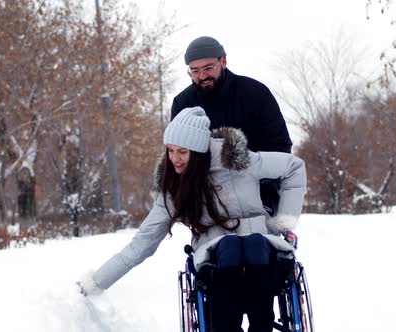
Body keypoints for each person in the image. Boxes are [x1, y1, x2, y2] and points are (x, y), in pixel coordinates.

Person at [77, 107, 307, 332]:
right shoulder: (175, 188)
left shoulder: (240, 162)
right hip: (216, 253)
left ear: (198, 151)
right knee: (230, 245)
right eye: (170, 150)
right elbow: (142, 243)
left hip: (262, 245)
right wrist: (94, 283)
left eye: (182, 152)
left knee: (254, 242)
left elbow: (294, 167)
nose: (174, 159)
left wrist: (284, 222)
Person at [171, 36, 293, 216]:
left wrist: (266, 195)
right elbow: (179, 154)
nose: (202, 76)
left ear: (224, 62)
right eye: (195, 71)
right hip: (208, 200)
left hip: (258, 196)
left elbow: (279, 146)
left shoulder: (256, 93)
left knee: (256, 243)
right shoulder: (183, 104)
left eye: (208, 68)